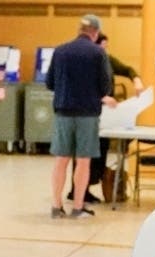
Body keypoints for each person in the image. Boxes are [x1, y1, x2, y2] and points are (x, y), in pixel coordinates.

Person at [45, 13, 114, 219]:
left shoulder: (60, 51)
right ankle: (77, 207)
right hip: (87, 114)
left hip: (63, 112)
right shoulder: (98, 53)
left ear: (80, 30)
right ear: (95, 33)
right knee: (83, 162)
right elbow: (105, 86)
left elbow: (49, 83)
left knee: (61, 160)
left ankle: (56, 206)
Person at [67, 32, 144, 204]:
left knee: (101, 150)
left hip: (105, 113)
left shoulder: (107, 60)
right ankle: (78, 190)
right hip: (87, 112)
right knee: (85, 152)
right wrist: (102, 98)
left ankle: (86, 188)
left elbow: (127, 69)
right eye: (103, 46)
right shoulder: (86, 63)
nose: (105, 50)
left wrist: (136, 80)